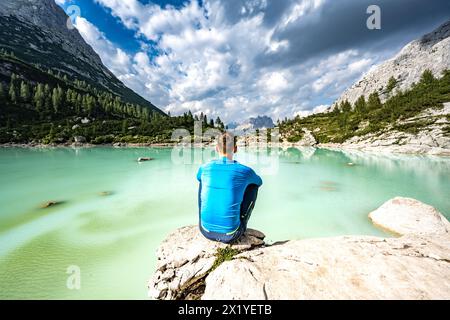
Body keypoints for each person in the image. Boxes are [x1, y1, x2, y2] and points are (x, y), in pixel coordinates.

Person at [197, 132, 263, 243]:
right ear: (235, 149)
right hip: (231, 235)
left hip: (204, 230)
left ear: (217, 148)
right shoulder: (245, 171)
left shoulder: (204, 168)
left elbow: (199, 178)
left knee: (202, 182)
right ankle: (240, 219)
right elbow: (259, 182)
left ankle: (207, 217)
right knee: (253, 186)